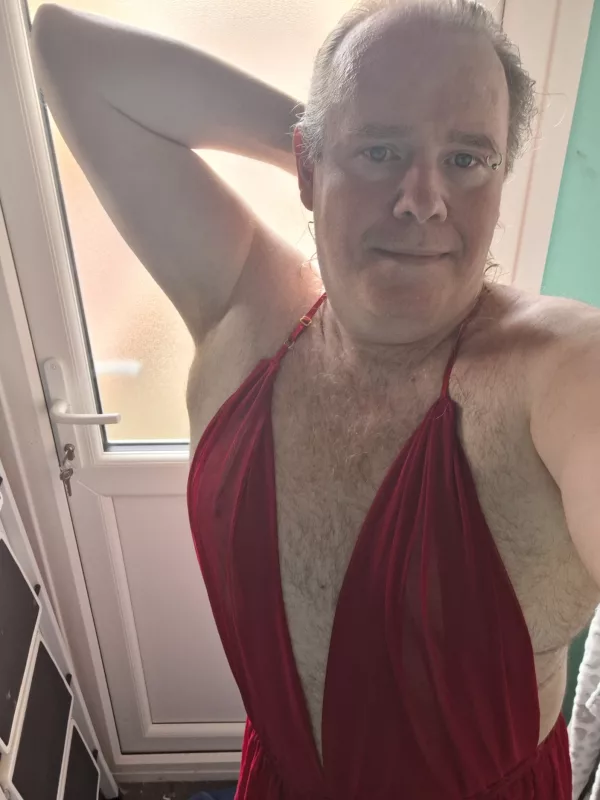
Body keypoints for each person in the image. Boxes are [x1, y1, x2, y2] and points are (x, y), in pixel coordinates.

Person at [31, 1, 600, 797]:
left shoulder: (564, 369)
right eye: (382, 151)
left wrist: (356, 150)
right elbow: (68, 51)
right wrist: (327, 142)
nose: (424, 198)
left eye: (468, 159)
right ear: (306, 168)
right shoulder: (246, 306)